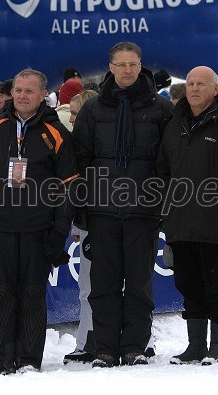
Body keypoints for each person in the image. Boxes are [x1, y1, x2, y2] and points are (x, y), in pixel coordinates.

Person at [0, 68, 78, 376]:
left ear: (44, 95)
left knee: (32, 295)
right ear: (10, 92)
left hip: (38, 228)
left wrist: (59, 229)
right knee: (2, 294)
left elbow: (69, 185)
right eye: (18, 90)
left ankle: (29, 361)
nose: (22, 96)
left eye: (29, 91)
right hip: (0, 225)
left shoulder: (56, 131)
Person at [73, 42, 173, 368]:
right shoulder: (93, 109)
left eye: (133, 64)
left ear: (140, 65)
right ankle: (104, 348)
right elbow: (81, 161)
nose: (127, 70)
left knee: (139, 284)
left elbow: (167, 162)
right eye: (121, 64)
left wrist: (161, 203)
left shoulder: (160, 109)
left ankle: (134, 346)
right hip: (102, 210)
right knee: (103, 284)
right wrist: (82, 208)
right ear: (111, 67)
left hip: (143, 211)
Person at [157, 66, 218, 366]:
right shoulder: (174, 123)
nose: (195, 89)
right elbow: (162, 171)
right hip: (179, 220)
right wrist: (163, 211)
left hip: (215, 220)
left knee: (216, 285)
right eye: (191, 84)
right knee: (187, 284)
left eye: (202, 84)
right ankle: (195, 345)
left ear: (215, 88)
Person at [62, 89, 99, 364]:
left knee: (91, 288)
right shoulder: (77, 143)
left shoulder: (88, 146)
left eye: (75, 113)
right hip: (88, 221)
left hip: (99, 221)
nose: (71, 119)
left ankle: (88, 342)